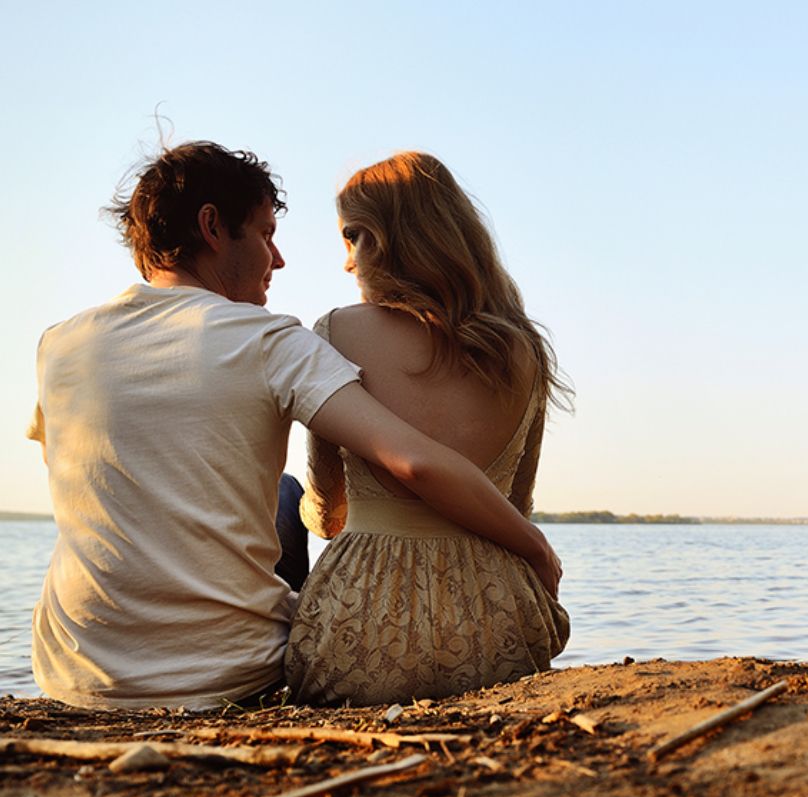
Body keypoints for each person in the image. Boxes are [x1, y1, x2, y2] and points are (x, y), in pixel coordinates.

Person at [28, 141, 561, 711]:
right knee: (282, 493)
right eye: (264, 235)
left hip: (72, 678)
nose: (277, 259)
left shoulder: (59, 345)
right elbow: (415, 461)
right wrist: (538, 549)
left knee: (279, 494)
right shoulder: (271, 341)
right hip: (229, 677)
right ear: (212, 227)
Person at [285, 152, 570, 705]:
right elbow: (513, 506)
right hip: (500, 633)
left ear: (390, 241)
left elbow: (327, 514)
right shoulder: (524, 350)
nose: (349, 262)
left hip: (360, 638)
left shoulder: (336, 332)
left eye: (354, 236)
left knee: (286, 498)